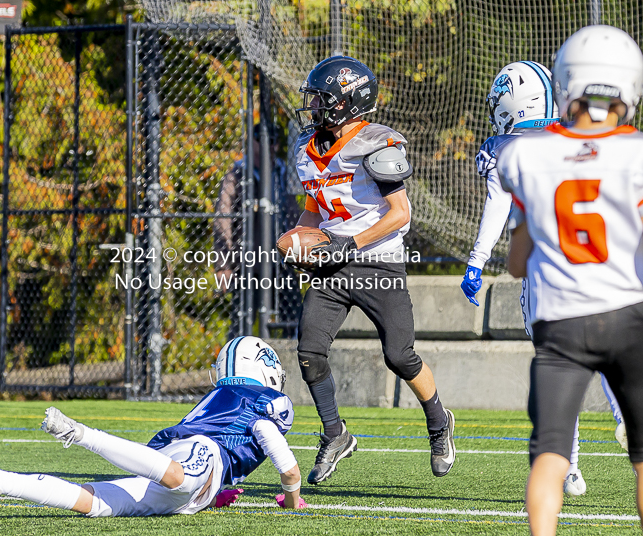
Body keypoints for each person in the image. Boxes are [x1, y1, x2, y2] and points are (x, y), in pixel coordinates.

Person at [497, 25, 643, 535]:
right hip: (629, 318)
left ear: (565, 84)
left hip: (559, 322)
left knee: (550, 454)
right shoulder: (638, 153)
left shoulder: (525, 154)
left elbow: (517, 263)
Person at [461, 60, 627, 496]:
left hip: (546, 269)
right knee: (614, 354)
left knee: (556, 363)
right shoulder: (581, 135)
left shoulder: (507, 150)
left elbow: (499, 210)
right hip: (603, 264)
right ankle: (621, 417)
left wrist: (476, 262)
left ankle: (568, 463)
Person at [290, 56, 455, 484]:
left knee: (399, 356)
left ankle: (439, 423)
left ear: (347, 102)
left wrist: (351, 243)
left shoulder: (377, 143)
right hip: (332, 265)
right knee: (309, 352)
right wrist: (297, 239)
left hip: (377, 261)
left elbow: (401, 214)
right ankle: (334, 433)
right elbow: (314, 212)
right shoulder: (308, 151)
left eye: (321, 98)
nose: (313, 106)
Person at [0, 336, 306, 522]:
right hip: (196, 457)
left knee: (93, 504)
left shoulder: (222, 395)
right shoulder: (265, 401)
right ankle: (80, 434)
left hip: (180, 467)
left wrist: (213, 494)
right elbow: (283, 460)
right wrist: (292, 500)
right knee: (180, 477)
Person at [213, 128, 302, 338]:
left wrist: (301, 256)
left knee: (295, 317)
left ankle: (294, 361)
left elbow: (294, 214)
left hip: (281, 260)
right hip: (248, 261)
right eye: (262, 140)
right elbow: (222, 220)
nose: (268, 146)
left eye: (273, 141)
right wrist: (223, 264)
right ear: (252, 143)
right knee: (241, 322)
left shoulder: (283, 171)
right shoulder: (237, 174)